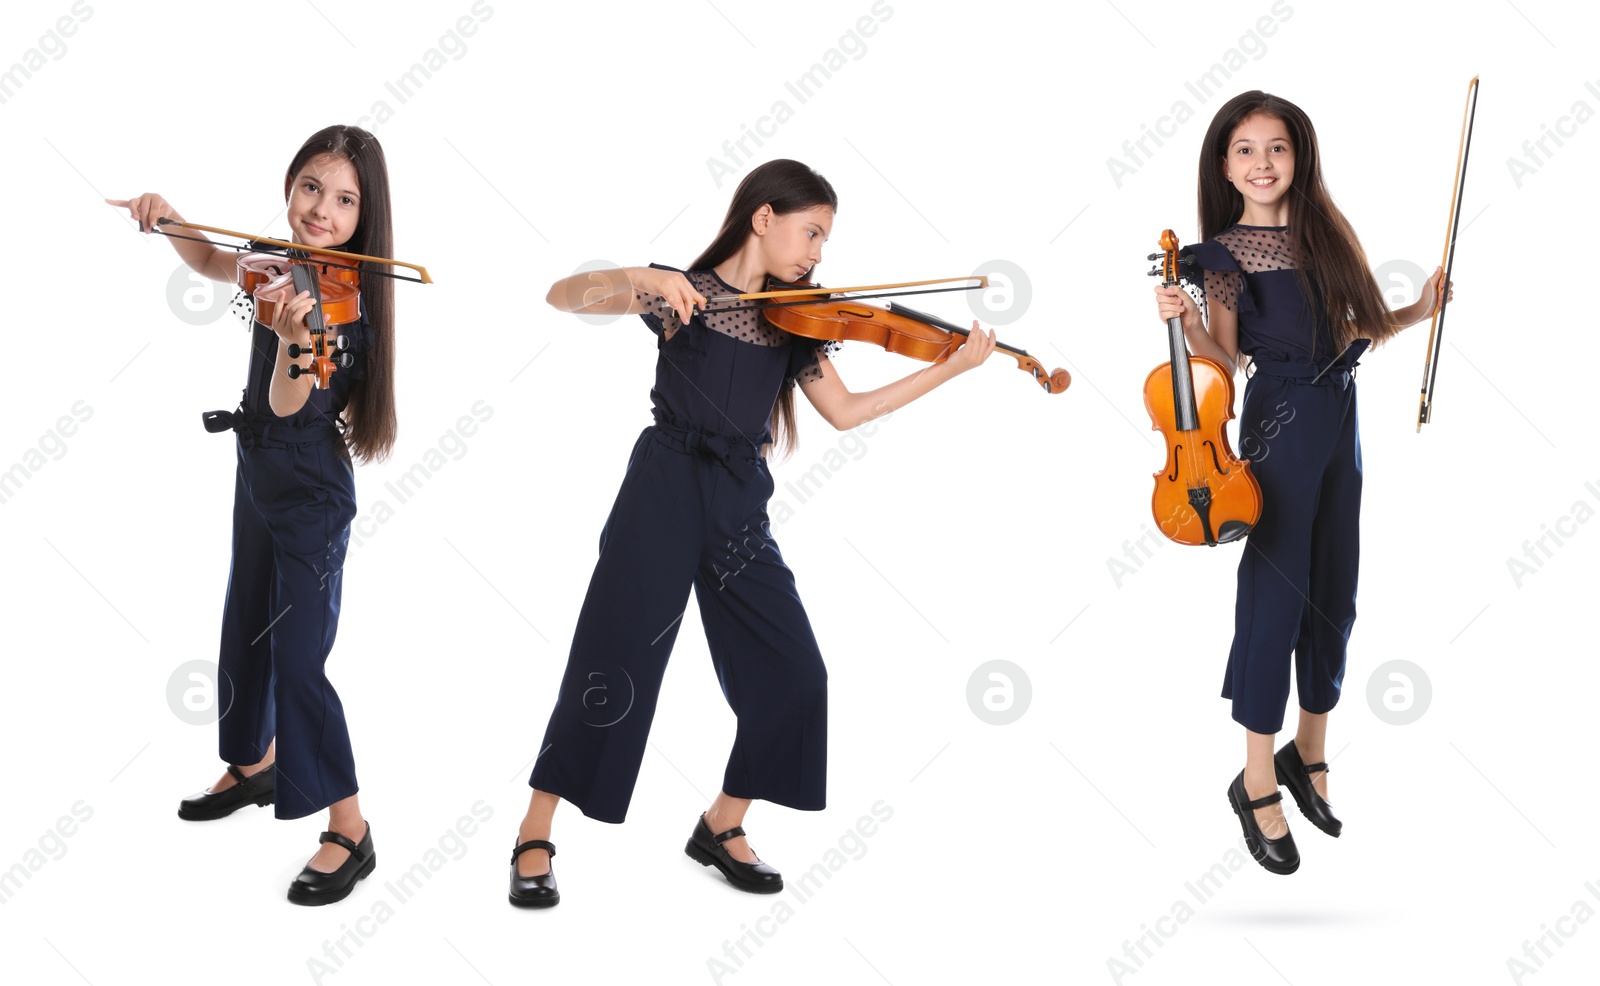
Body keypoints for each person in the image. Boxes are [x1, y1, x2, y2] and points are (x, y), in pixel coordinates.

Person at [509, 158, 996, 907]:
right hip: (663, 487)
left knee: (798, 677)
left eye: (826, 241)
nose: (817, 255)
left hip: (739, 500)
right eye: (812, 233)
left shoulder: (795, 324)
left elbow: (849, 411)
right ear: (762, 218)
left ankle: (722, 823)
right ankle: (535, 830)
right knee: (611, 660)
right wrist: (643, 273)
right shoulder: (681, 294)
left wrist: (952, 370)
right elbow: (562, 294)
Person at [1152, 92, 1452, 875]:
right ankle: (1256, 777)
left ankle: (1308, 755)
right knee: (1275, 597)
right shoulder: (1219, 256)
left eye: (1276, 148)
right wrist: (1182, 319)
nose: (1261, 163)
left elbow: (1358, 328)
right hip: (1278, 417)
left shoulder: (1326, 233)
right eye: (1245, 150)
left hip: (1340, 416)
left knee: (1335, 590)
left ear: (1300, 156)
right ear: (1224, 165)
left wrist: (1421, 309)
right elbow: (1224, 360)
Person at [108, 124, 399, 904]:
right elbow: (209, 259)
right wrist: (171, 219)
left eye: (344, 200)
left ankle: (351, 827)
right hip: (259, 470)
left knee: (301, 657)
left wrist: (294, 341)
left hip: (310, 490)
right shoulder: (279, 264)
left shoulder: (343, 302)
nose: (321, 210)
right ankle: (252, 762)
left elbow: (285, 400)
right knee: (245, 622)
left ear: (366, 217)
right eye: (311, 186)